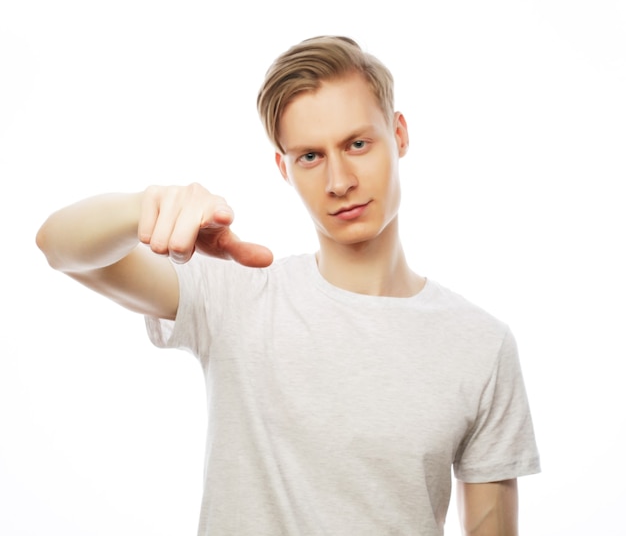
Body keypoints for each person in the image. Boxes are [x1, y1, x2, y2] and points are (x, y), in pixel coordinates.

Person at [37, 35, 540, 536]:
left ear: (400, 134)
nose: (339, 180)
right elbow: (58, 247)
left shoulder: (480, 344)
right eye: (310, 157)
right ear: (284, 168)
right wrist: (142, 208)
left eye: (357, 144)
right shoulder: (239, 295)